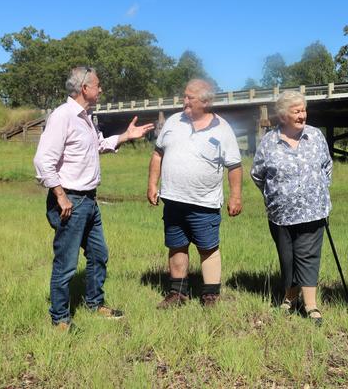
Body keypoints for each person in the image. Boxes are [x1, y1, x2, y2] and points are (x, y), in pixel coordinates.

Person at [34, 66, 154, 331]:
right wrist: (61, 196)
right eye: (98, 85)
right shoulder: (62, 116)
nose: (101, 89)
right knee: (66, 264)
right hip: (70, 201)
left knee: (99, 254)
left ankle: (93, 303)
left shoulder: (86, 117)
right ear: (84, 88)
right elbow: (43, 161)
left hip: (89, 200)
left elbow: (97, 146)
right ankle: (60, 319)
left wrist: (126, 136)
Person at [147, 79, 242, 308]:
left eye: (190, 97)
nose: (185, 100)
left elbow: (235, 166)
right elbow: (158, 154)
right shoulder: (172, 122)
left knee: (208, 248)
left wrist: (235, 196)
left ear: (206, 101)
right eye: (185, 96)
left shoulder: (223, 128)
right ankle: (177, 293)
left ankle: (210, 295)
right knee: (176, 245)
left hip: (205, 203)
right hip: (173, 200)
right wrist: (152, 184)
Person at [250, 91, 332, 325]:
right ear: (283, 115)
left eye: (303, 110)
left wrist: (319, 191)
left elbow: (327, 166)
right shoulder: (269, 141)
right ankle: (290, 297)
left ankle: (311, 305)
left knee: (308, 255)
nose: (302, 115)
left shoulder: (315, 136)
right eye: (296, 111)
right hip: (280, 213)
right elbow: (257, 174)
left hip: (313, 210)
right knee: (287, 258)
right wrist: (273, 196)